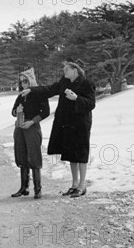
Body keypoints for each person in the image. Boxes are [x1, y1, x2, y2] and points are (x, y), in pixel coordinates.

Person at [22, 59, 95, 198]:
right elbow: (49, 89)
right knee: (71, 154)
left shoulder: (87, 83)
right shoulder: (64, 82)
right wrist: (31, 90)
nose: (64, 71)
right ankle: (74, 185)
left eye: (66, 69)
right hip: (66, 123)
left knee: (81, 153)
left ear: (75, 70)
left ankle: (82, 185)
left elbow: (91, 104)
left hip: (81, 123)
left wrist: (76, 98)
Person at [10, 68, 50, 199]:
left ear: (31, 81)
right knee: (21, 155)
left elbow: (45, 112)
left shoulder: (40, 94)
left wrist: (32, 122)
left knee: (34, 156)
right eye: (21, 82)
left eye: (25, 81)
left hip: (32, 127)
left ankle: (38, 189)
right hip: (20, 127)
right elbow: (13, 112)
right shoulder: (21, 95)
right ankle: (24, 187)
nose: (23, 84)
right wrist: (17, 110)